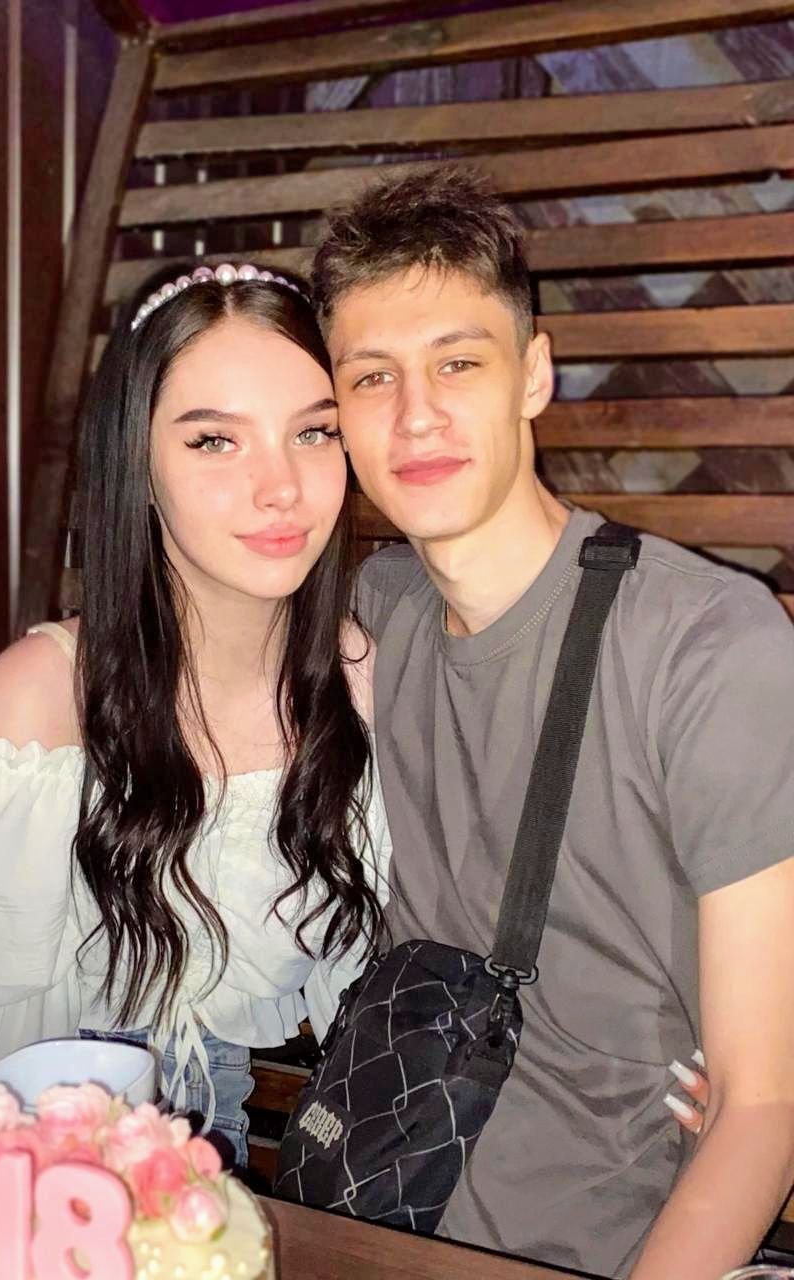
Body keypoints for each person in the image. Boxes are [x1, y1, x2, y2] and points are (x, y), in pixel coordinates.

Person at [309, 167, 794, 1279]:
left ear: (533, 373)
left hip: (604, 1248)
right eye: (373, 377)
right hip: (371, 1204)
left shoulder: (704, 644)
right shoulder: (378, 613)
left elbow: (764, 1106)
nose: (416, 414)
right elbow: (184, 678)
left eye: (458, 363)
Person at [0, 263, 390, 1170]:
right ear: (135, 461)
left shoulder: (359, 677)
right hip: (14, 1118)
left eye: (313, 431)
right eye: (215, 440)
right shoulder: (42, 698)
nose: (281, 488)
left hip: (209, 1116)